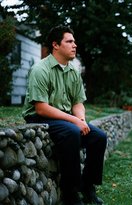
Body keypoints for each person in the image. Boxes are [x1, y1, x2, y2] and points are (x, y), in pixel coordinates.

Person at [22, 25, 107, 205]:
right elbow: (41, 108)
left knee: (99, 137)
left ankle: (88, 185)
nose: (74, 45)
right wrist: (74, 120)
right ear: (55, 45)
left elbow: (78, 102)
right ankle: (70, 192)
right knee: (71, 132)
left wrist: (81, 120)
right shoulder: (40, 69)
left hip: (64, 117)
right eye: (69, 41)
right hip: (41, 117)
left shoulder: (73, 71)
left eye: (74, 41)